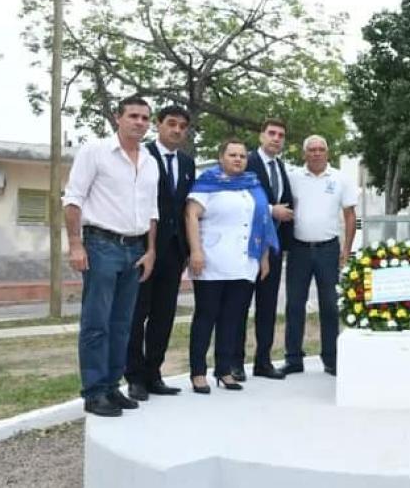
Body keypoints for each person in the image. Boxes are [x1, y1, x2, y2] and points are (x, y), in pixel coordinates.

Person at [63, 95, 159, 417]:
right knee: (96, 323)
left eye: (145, 118)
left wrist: (151, 250)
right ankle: (93, 392)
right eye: (133, 116)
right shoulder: (95, 152)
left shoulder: (149, 161)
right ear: (118, 118)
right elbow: (73, 199)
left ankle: (111, 386)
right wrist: (76, 245)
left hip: (135, 248)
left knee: (123, 324)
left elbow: (152, 211)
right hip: (101, 245)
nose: (140, 122)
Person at [184, 139, 279, 393]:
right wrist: (195, 250)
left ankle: (224, 369)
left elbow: (262, 222)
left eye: (242, 156)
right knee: (206, 317)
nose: (238, 159)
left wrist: (264, 257)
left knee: (233, 319)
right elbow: (190, 215)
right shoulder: (207, 183)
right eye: (232, 154)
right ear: (221, 157)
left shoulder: (252, 185)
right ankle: (198, 372)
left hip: (244, 262)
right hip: (212, 261)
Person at [124, 105, 195, 401]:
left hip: (176, 252)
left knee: (163, 316)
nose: (177, 130)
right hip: (144, 249)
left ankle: (154, 373)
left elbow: (186, 208)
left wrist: (190, 250)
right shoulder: (142, 155)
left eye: (182, 126)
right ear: (159, 125)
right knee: (136, 315)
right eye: (171, 124)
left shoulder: (188, 163)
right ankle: (135, 376)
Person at [280, 135, 358, 376]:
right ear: (305, 153)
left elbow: (350, 216)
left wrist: (346, 250)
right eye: (311, 150)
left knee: (331, 306)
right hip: (298, 250)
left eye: (320, 149)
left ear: (327, 152)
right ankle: (293, 358)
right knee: (294, 305)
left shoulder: (340, 179)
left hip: (328, 249)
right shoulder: (292, 177)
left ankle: (331, 359)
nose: (316, 153)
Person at [234, 118, 295, 381]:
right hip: (248, 247)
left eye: (281, 135)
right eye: (271, 133)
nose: (276, 138)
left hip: (274, 247)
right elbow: (240, 199)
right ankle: (235, 363)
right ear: (261, 136)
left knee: (268, 307)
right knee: (240, 306)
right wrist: (273, 210)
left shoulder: (281, 167)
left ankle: (263, 361)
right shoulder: (246, 163)